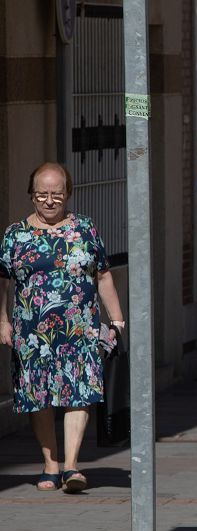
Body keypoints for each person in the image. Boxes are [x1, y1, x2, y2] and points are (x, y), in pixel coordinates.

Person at [0, 162, 124, 492]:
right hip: (31, 331)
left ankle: (71, 466)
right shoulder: (16, 235)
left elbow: (104, 275)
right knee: (37, 396)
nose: (49, 200)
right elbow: (3, 281)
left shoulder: (85, 229)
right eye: (42, 194)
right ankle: (50, 464)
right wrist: (2, 321)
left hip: (79, 329)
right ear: (31, 194)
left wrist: (117, 320)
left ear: (68, 194)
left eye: (56, 194)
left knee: (79, 392)